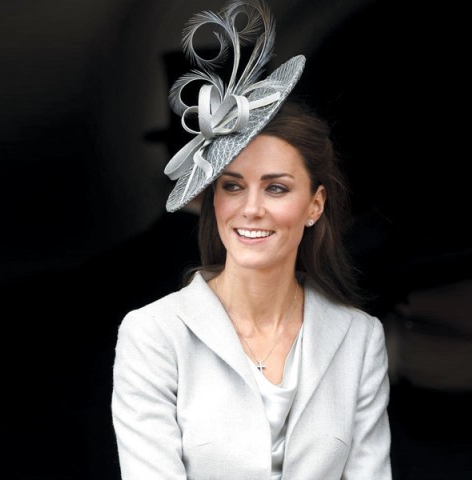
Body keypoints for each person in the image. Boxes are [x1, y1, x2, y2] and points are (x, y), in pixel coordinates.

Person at [111, 1, 392, 478]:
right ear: (207, 191)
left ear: (315, 204)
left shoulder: (359, 337)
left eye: (276, 187)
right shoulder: (152, 332)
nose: (252, 208)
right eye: (232, 185)